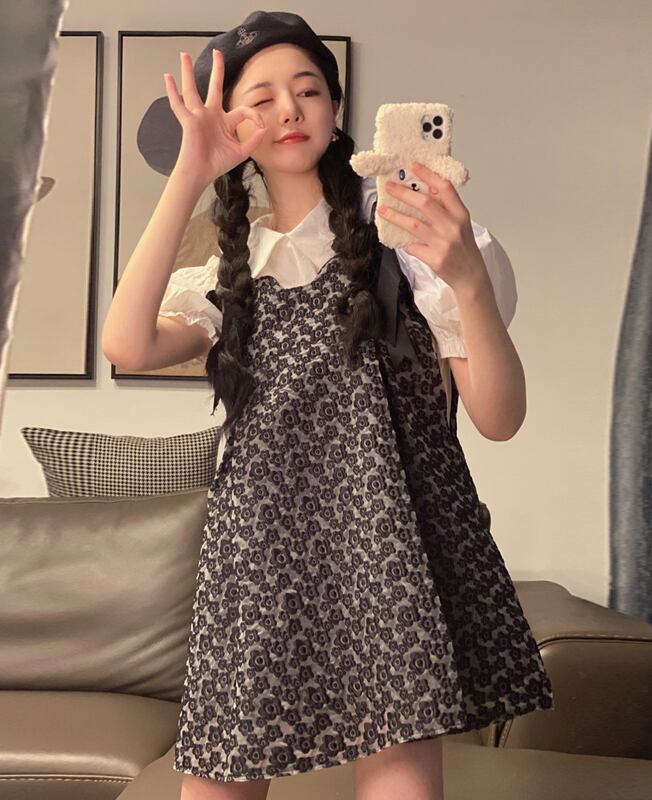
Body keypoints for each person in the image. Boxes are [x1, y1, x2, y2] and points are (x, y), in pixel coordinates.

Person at [102, 11, 554, 800]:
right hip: (257, 556)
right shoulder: (232, 268)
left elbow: (499, 417)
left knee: (398, 782)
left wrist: (469, 281)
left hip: (387, 547)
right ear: (232, 125)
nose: (289, 109)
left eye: (308, 90)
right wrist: (188, 175)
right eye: (261, 98)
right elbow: (127, 345)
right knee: (214, 785)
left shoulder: (409, 237)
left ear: (337, 109)